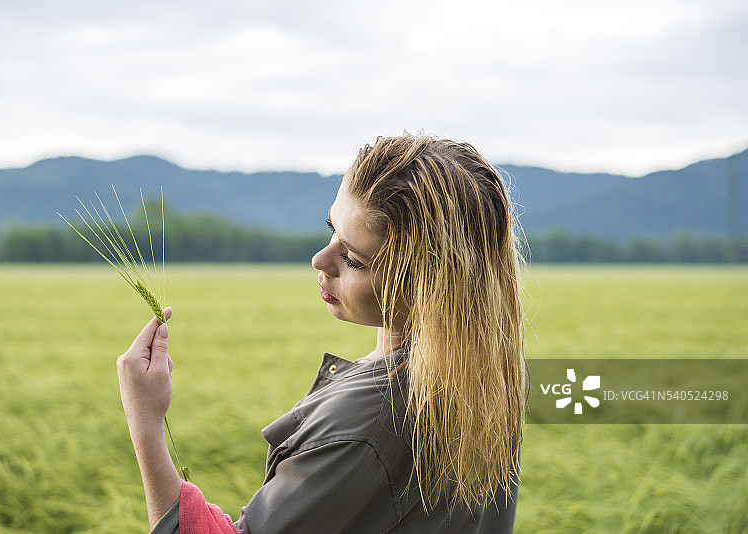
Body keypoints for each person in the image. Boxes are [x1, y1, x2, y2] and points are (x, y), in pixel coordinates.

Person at [117, 133, 526, 533]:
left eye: (353, 258)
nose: (320, 259)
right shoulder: (491, 377)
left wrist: (145, 421)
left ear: (428, 285)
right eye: (332, 229)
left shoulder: (364, 426)